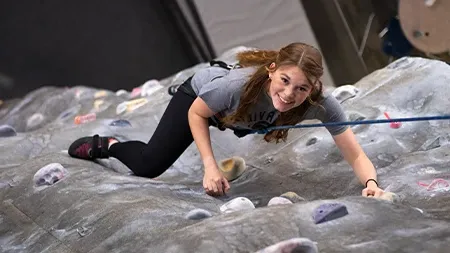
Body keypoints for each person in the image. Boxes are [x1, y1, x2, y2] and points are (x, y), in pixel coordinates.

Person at [68, 42, 384, 198]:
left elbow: (355, 153)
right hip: (200, 99)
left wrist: (371, 184)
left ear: (314, 87)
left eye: (302, 88)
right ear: (272, 70)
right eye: (285, 81)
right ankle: (107, 144)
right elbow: (197, 114)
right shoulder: (236, 86)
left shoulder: (322, 103)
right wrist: (210, 166)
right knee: (149, 165)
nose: (289, 94)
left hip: (237, 116)